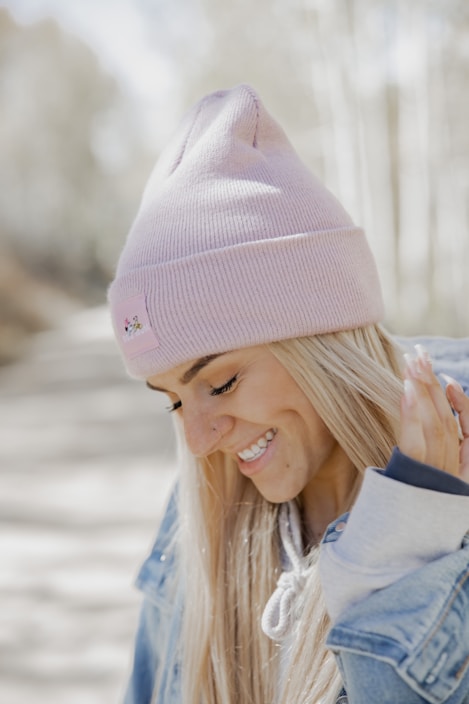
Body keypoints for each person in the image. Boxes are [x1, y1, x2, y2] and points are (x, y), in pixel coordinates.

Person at [108, 84, 469, 704]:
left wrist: (398, 558)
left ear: (320, 342)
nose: (198, 443)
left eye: (219, 382)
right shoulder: (199, 516)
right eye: (172, 400)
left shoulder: (455, 498)